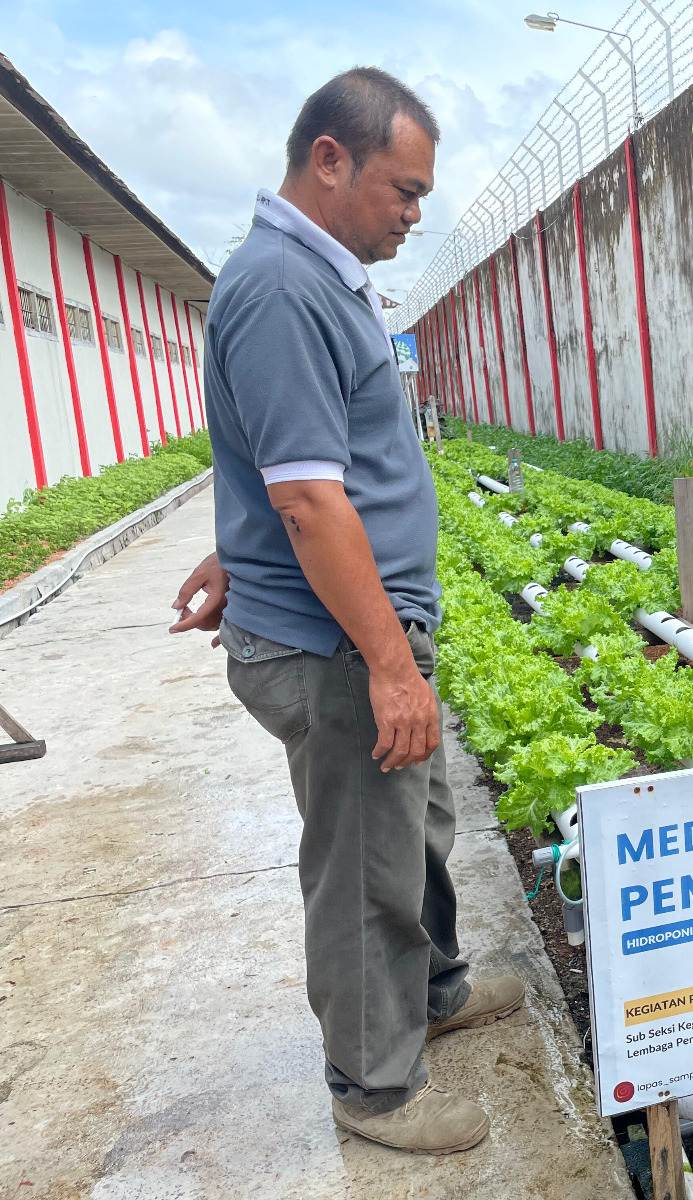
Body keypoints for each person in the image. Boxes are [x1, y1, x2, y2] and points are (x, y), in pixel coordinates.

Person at [168, 68, 524, 1155]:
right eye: (402, 190)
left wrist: (238, 550)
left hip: (344, 623)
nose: (416, 214)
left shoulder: (317, 277)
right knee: (364, 861)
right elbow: (312, 498)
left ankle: (437, 990)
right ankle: (373, 1087)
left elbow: (294, 462)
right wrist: (388, 664)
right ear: (331, 159)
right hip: (334, 645)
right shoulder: (281, 287)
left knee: (412, 826)